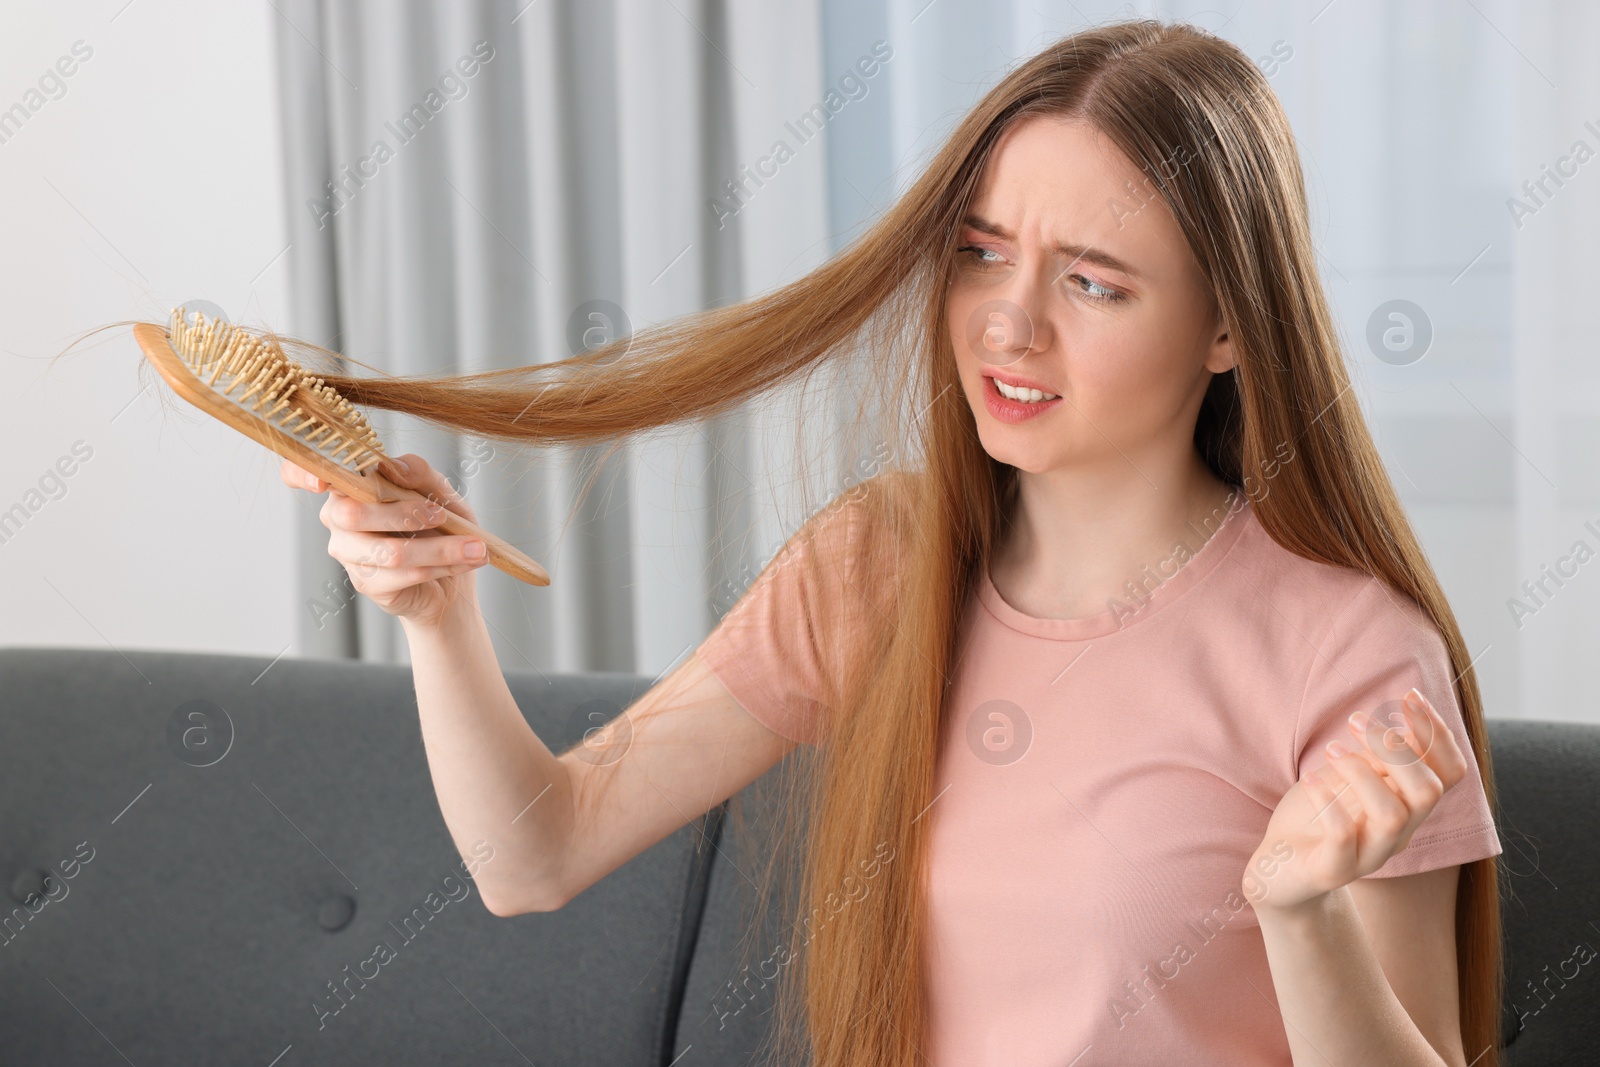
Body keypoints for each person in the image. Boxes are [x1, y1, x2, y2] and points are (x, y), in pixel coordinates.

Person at [279, 18, 1502, 1066]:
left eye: (1093, 282)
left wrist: (1302, 915)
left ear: (1229, 327)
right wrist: (436, 615)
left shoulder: (1352, 654)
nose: (1007, 325)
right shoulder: (879, 560)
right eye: (979, 253)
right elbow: (530, 853)